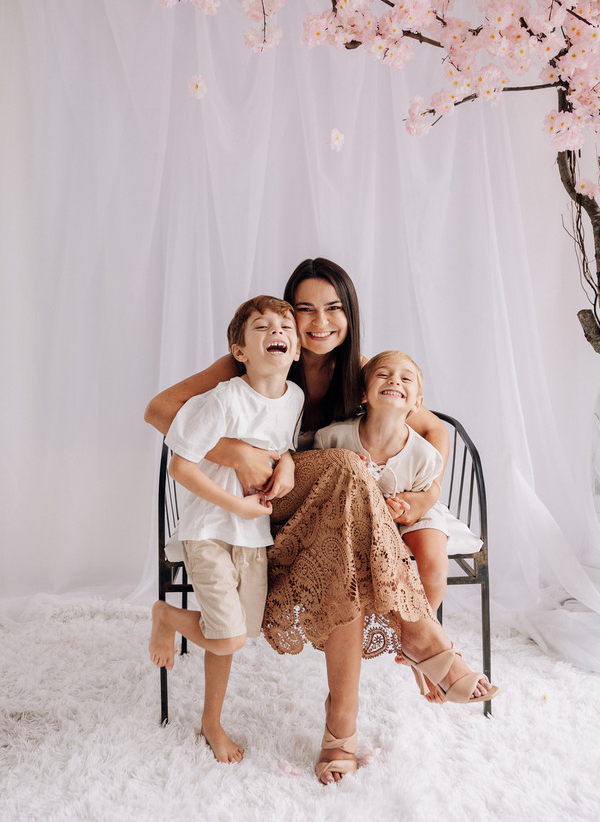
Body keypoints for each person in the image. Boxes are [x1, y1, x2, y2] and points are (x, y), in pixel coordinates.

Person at [145, 258, 499, 785]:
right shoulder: (257, 356)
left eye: (334, 308)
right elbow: (159, 410)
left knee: (345, 538)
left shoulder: (359, 375)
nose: (319, 322)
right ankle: (422, 637)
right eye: (304, 309)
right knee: (346, 468)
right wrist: (238, 452)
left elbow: (434, 428)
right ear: (287, 315)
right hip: (268, 505)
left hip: (336, 514)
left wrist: (425, 496)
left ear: (350, 315)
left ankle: (342, 726)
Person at [149, 295, 304, 764]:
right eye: (262, 326)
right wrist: (237, 505)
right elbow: (181, 466)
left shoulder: (295, 398)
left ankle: (209, 721)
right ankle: (166, 616)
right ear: (240, 351)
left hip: (253, 535)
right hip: (210, 529)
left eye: (285, 327)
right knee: (228, 637)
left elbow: (281, 446)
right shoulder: (223, 398)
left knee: (240, 632)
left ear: (297, 349)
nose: (276, 332)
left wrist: (287, 463)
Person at [313, 349, 483, 703]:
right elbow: (318, 473)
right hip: (364, 517)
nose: (394, 381)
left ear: (417, 403)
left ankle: (424, 635)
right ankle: (424, 650)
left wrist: (409, 507)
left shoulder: (424, 454)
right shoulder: (335, 438)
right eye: (384, 375)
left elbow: (426, 496)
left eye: (405, 379)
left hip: (416, 508)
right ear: (363, 395)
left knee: (434, 564)